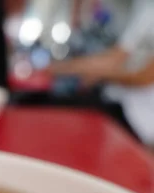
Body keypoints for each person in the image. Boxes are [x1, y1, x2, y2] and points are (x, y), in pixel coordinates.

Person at [50, 0, 154, 144]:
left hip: (137, 119)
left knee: (61, 112)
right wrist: (65, 68)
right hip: (121, 104)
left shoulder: (148, 12)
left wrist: (99, 74)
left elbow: (144, 76)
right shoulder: (144, 9)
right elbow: (116, 56)